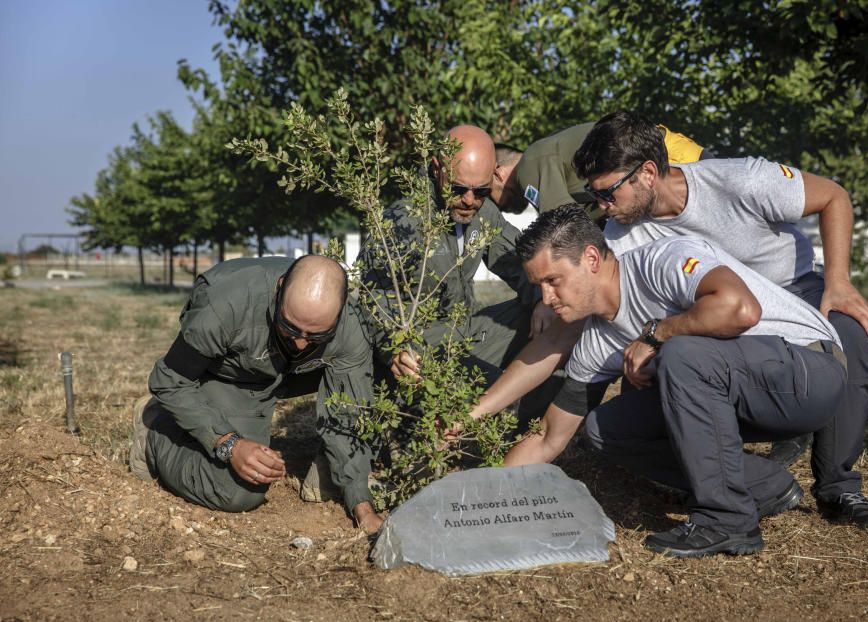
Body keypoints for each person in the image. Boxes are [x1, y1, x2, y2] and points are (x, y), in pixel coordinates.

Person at [570, 110, 868, 529]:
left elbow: (834, 197)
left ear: (647, 173)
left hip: (794, 297)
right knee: (647, 367)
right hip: (713, 319)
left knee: (849, 330)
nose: (603, 207)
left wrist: (839, 281)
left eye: (608, 193)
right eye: (596, 198)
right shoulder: (620, 233)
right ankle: (732, 479)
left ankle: (838, 487)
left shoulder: (741, 179)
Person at [505, 204, 848, 557]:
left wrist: (656, 334)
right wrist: (491, 494)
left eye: (552, 281)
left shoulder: (661, 261)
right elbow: (549, 436)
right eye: (539, 286)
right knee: (605, 428)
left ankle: (726, 520)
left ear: (591, 258)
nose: (546, 299)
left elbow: (741, 310)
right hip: (748, 397)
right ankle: (765, 486)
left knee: (681, 355)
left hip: (811, 372)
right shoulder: (597, 341)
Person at [129, 255, 384, 534]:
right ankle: (155, 431)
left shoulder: (352, 324)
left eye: (315, 336)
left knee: (383, 364)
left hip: (289, 375)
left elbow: (347, 410)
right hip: (232, 376)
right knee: (238, 492)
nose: (299, 343)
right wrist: (229, 444)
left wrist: (362, 506)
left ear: (340, 310)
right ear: (280, 286)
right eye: (289, 327)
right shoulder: (225, 303)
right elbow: (169, 379)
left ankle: (329, 470)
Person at [362, 125, 545, 396]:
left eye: (481, 191)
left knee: (557, 318)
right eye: (457, 189)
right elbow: (373, 297)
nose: (470, 200)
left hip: (464, 333)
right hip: (420, 351)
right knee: (501, 394)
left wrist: (544, 298)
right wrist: (395, 350)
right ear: (437, 169)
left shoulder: (486, 214)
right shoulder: (402, 222)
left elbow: (520, 261)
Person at [491, 121, 710, 226]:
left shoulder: (529, 163)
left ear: (498, 173)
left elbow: (566, 225)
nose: (496, 208)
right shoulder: (553, 152)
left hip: (669, 165)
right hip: (674, 157)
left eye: (485, 192)